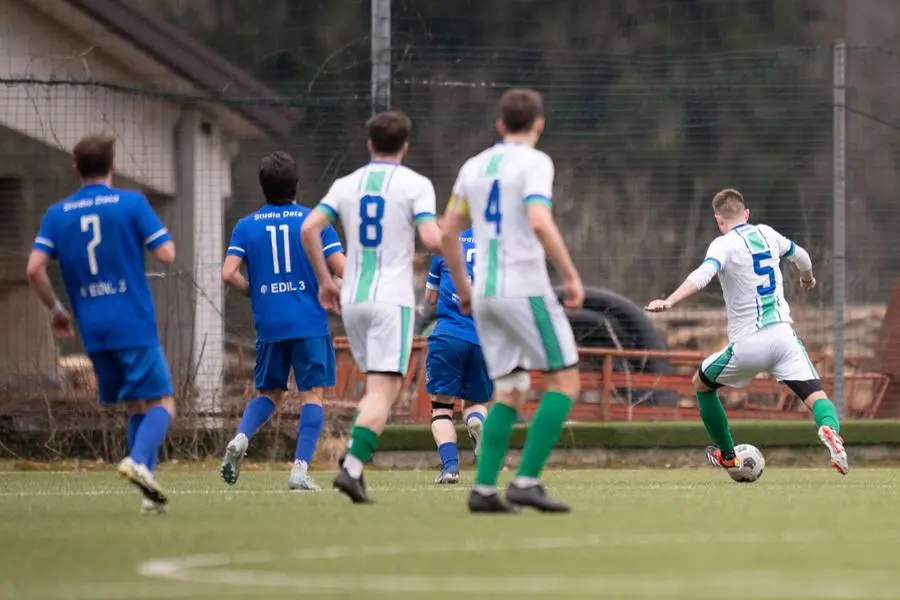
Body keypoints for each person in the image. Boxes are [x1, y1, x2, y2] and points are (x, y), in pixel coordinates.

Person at [441, 89, 584, 514]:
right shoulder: (536, 162)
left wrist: (463, 289)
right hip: (525, 287)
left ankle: (484, 489)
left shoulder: (474, 166)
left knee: (511, 387)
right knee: (565, 381)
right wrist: (571, 275)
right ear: (539, 124)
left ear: (500, 125)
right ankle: (525, 480)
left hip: (484, 292)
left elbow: (446, 231)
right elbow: (539, 219)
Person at [645, 188, 848, 475]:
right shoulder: (768, 233)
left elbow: (703, 275)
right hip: (783, 337)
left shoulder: (723, 244)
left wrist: (670, 300)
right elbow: (802, 257)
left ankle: (728, 455)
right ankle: (830, 431)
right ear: (747, 214)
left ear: (719, 220)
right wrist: (808, 279)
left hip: (749, 344)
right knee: (817, 397)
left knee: (702, 385)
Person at [26, 134, 176, 514]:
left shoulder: (57, 214)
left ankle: (148, 494)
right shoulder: (130, 204)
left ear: (76, 169)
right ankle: (139, 462)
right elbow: (167, 254)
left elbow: (34, 269)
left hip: (93, 329)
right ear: (113, 165)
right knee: (163, 402)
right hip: (132, 323)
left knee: (134, 407)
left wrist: (56, 310)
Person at [301, 110, 442, 504]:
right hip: (390, 300)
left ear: (369, 144)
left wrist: (326, 281)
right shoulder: (416, 184)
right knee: (385, 389)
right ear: (406, 146)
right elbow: (431, 238)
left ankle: (355, 468)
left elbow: (309, 227)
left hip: (353, 299)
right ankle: (351, 466)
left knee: (377, 387)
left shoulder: (346, 184)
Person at [220, 151, 345, 492]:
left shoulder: (246, 226)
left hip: (270, 324)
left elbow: (228, 273)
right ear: (296, 185)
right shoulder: (314, 222)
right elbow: (342, 268)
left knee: (269, 394)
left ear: (263, 186)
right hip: (308, 322)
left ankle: (241, 438)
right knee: (312, 396)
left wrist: (256, 292)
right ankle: (299, 470)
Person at [424, 228, 492, 484]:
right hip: (484, 338)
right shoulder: (497, 244)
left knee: (441, 406)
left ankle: (450, 467)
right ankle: (476, 422)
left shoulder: (446, 242)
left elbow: (430, 297)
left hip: (449, 335)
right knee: (476, 403)